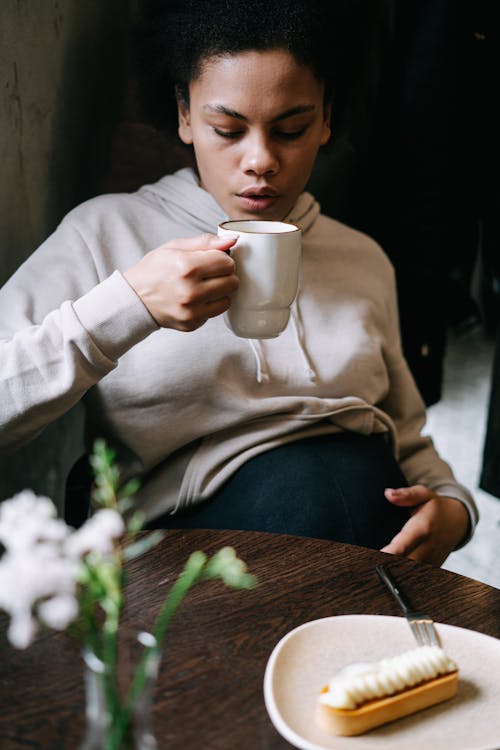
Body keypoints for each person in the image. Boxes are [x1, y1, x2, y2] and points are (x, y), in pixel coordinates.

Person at [0, 0, 477, 565]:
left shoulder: (363, 257)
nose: (261, 160)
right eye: (227, 129)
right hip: (201, 576)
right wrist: (127, 306)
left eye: (291, 129)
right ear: (183, 114)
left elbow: (408, 436)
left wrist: (453, 508)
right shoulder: (106, 232)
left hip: (372, 575)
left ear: (326, 118)